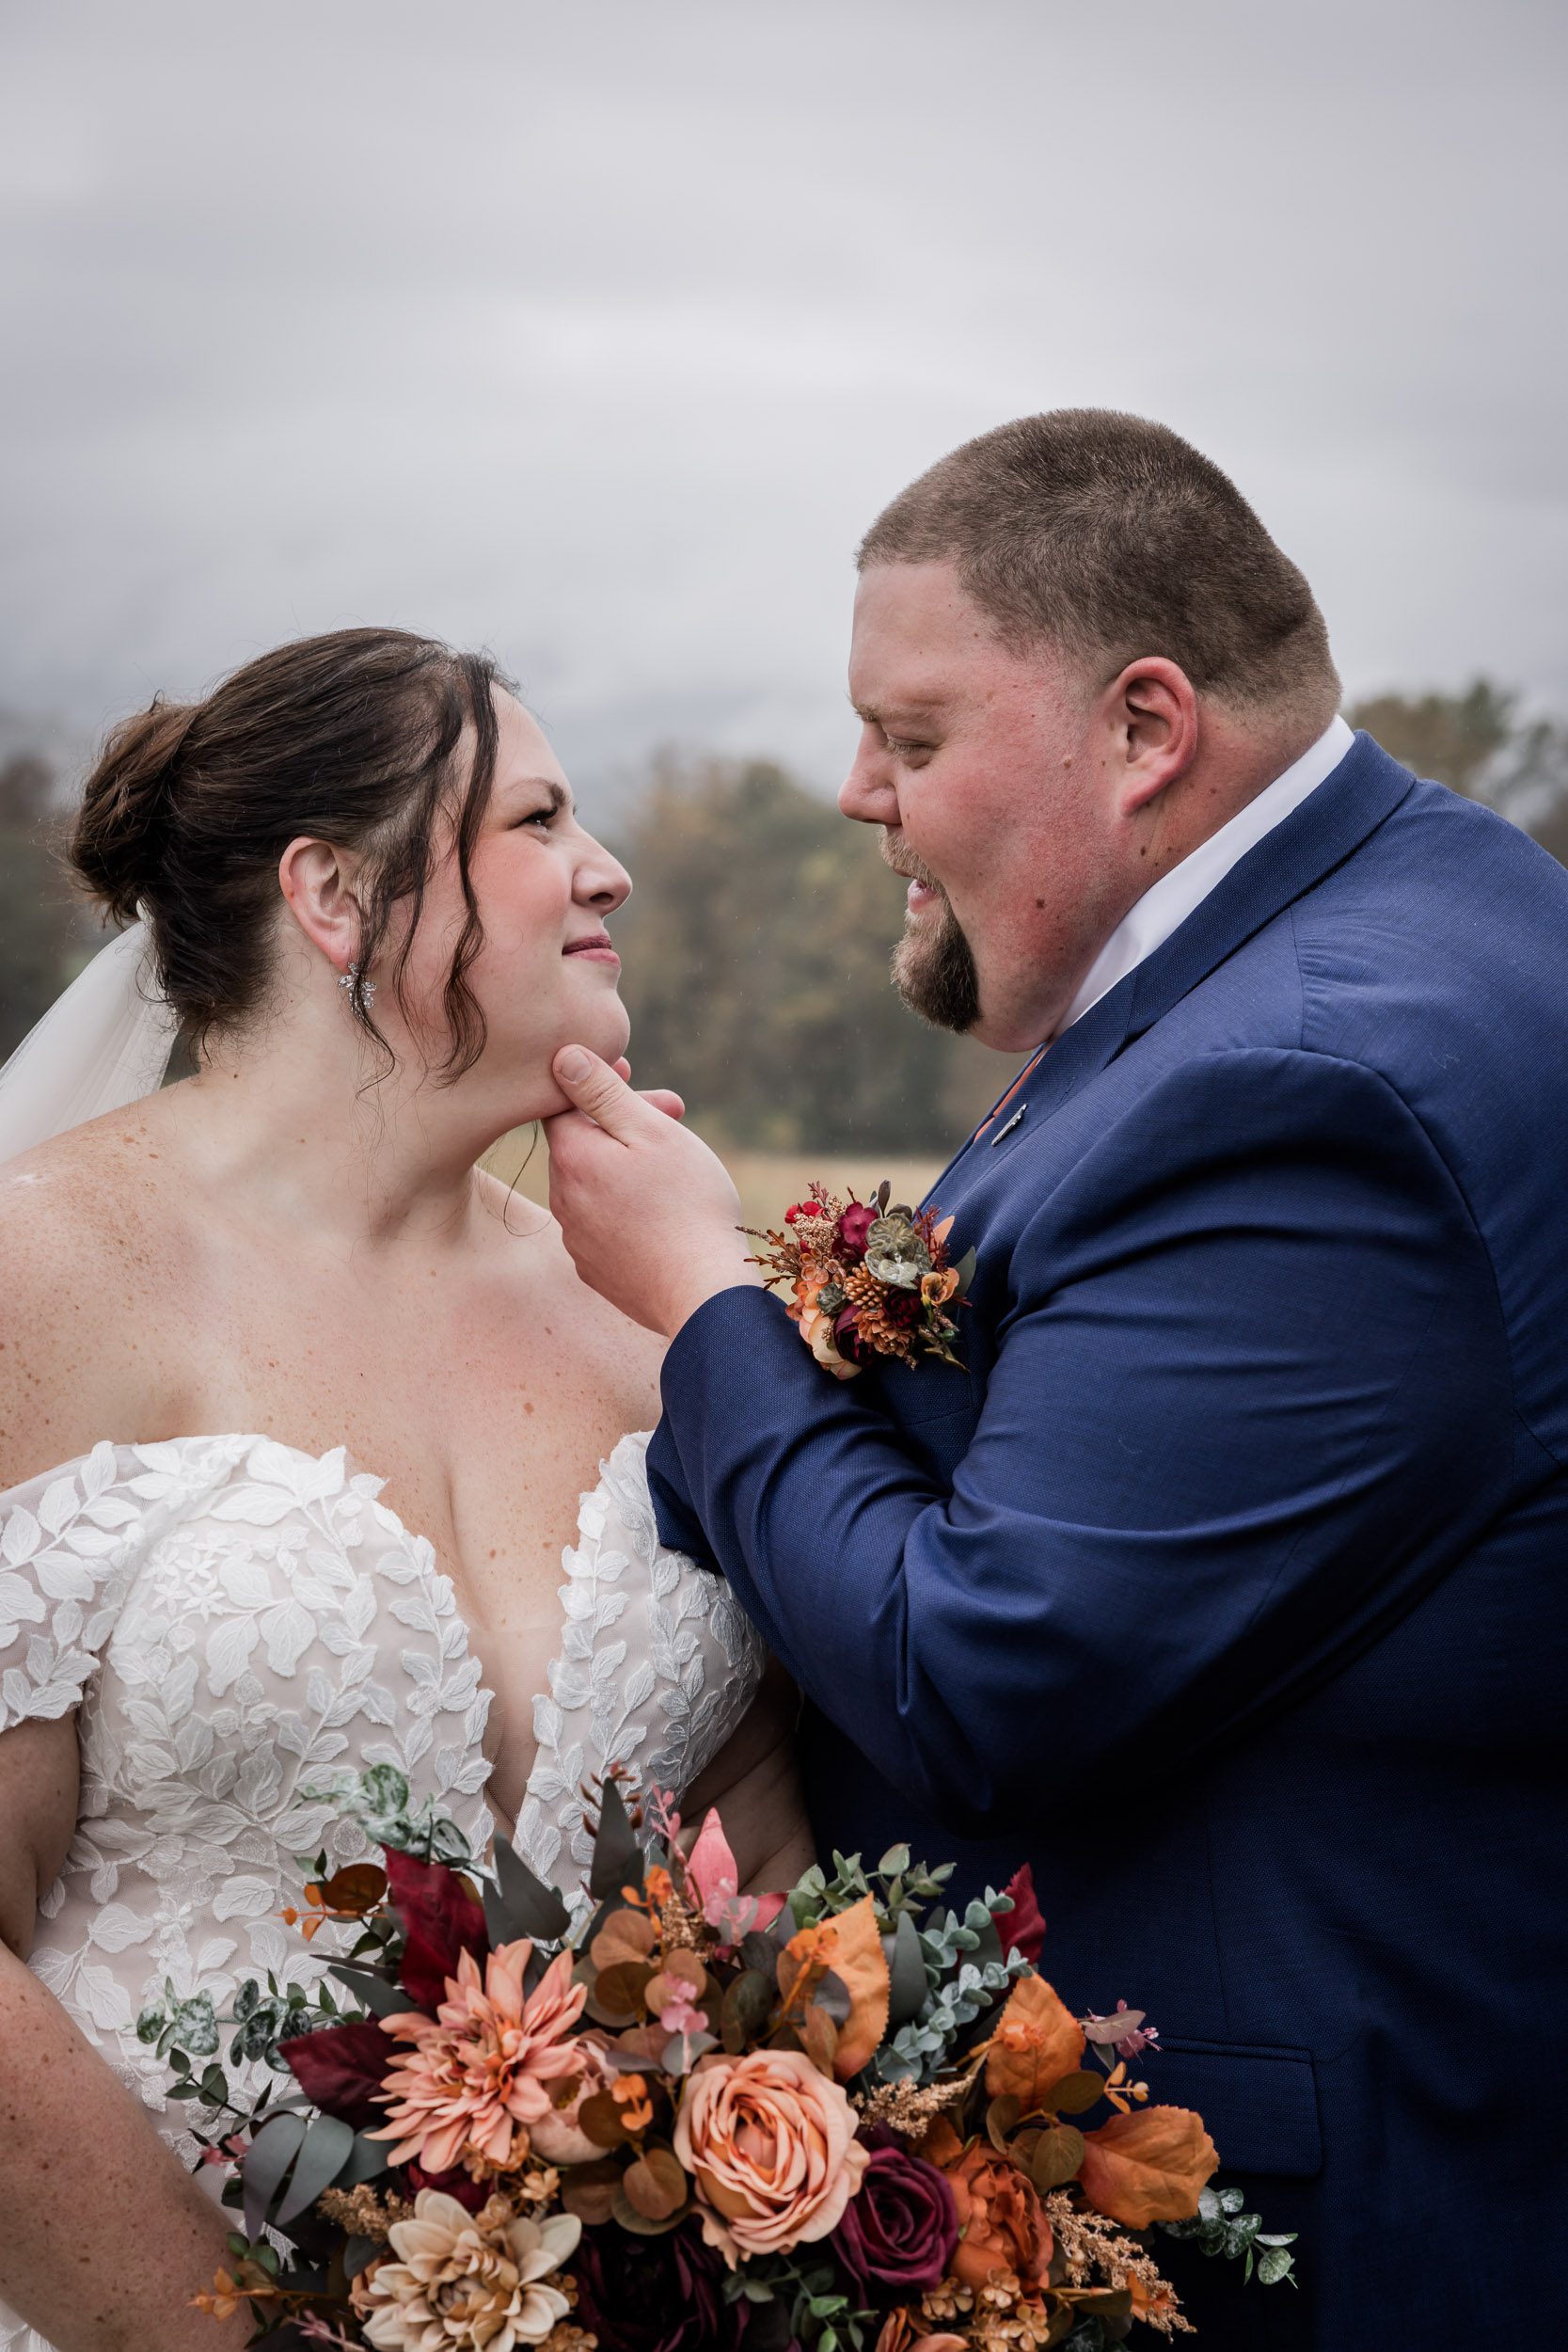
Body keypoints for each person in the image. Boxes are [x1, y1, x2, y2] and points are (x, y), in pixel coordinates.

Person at [545, 410, 1568, 2345]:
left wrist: (702, 1306)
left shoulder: (1315, 1085)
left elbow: (992, 1669)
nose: (857, 791)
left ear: (1144, 728)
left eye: (914, 736)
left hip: (1314, 2225)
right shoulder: (1406, 912)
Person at [0, 628, 806, 2352]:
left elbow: (755, 1854)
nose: (610, 868)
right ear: (334, 894)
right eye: (536, 820)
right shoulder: (44, 1274)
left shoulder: (641, 1313)